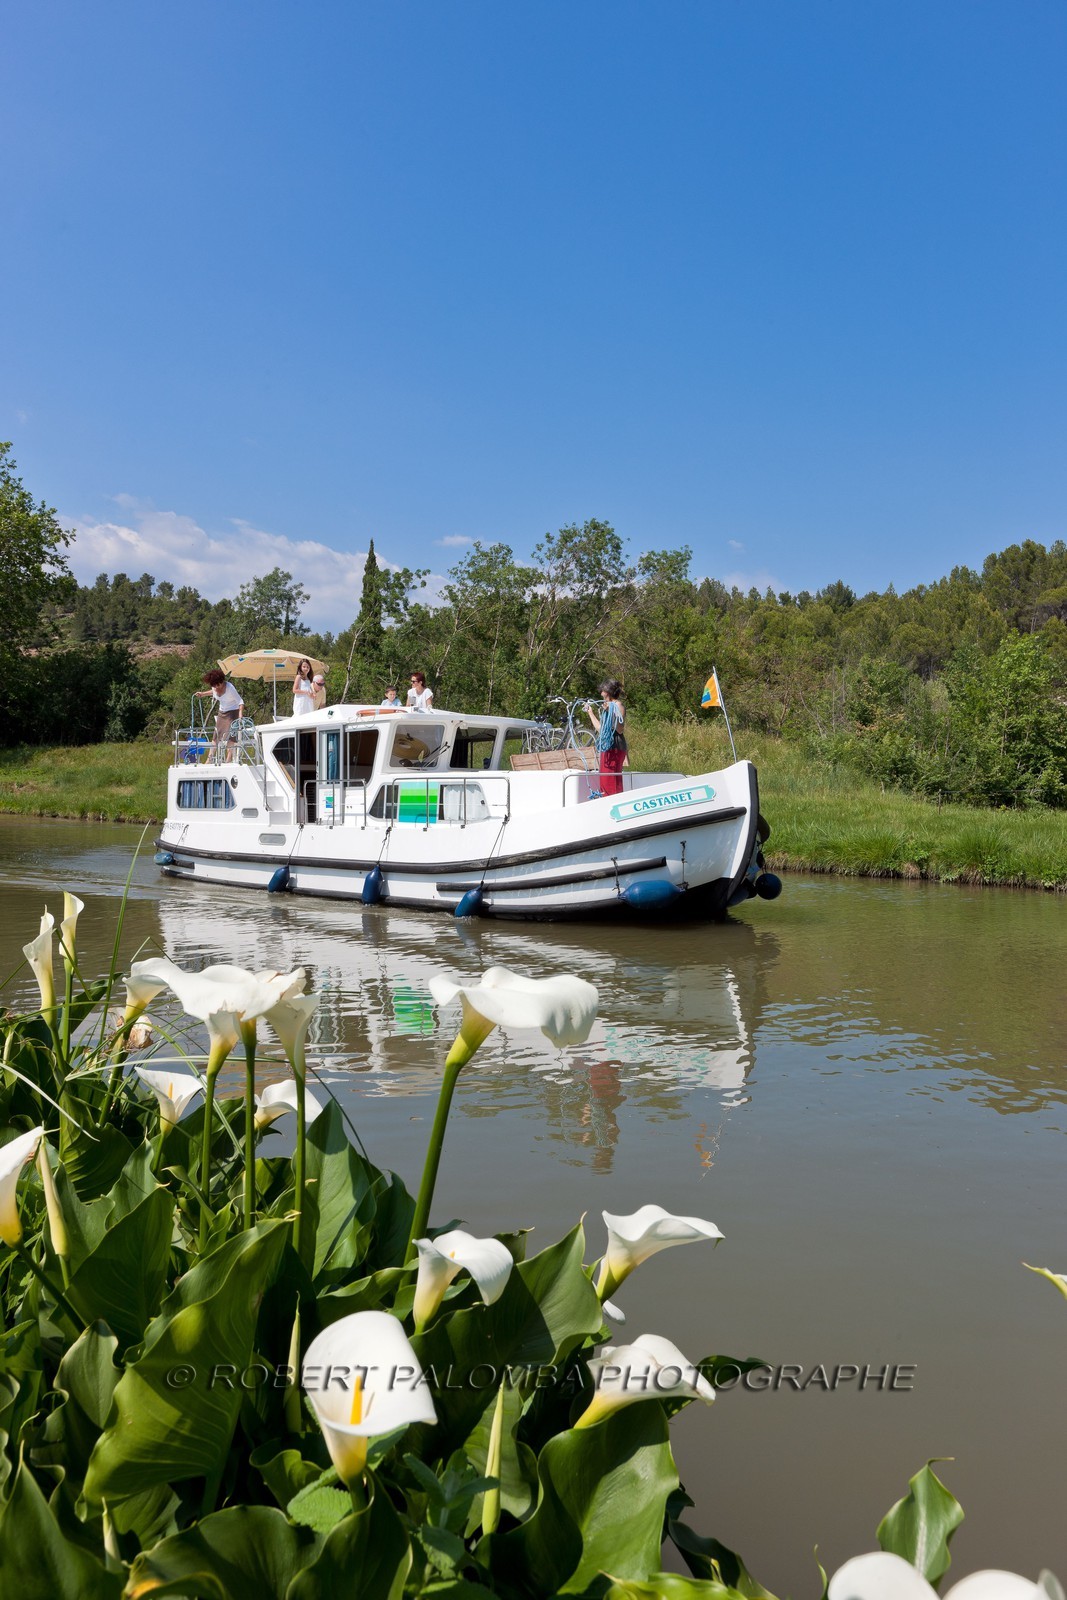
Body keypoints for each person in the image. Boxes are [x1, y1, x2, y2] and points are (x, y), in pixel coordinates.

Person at [586, 679, 626, 796]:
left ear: (608, 691)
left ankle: (613, 802)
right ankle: (606, 800)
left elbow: (620, 729)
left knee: (611, 781)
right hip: (607, 747)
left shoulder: (618, 705)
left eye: (602, 691)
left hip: (615, 747)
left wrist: (611, 712)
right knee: (605, 779)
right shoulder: (607, 706)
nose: (601, 694)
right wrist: (590, 713)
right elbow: (601, 729)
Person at [194, 669, 244, 760]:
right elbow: (212, 692)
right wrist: (202, 694)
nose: (216, 687)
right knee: (215, 736)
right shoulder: (214, 686)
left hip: (233, 712)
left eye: (218, 684)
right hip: (222, 712)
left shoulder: (230, 688)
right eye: (214, 685)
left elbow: (240, 701)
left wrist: (240, 714)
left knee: (230, 737)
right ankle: (209, 759)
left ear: (222, 681)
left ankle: (228, 760)